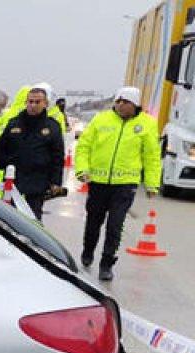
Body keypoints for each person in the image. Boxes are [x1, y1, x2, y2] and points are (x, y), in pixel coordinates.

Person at [75, 86, 162, 281]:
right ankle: (88, 251)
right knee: (93, 222)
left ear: (135, 105)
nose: (120, 105)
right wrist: (82, 170)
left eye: (126, 102)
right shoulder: (101, 119)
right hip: (98, 182)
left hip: (125, 184)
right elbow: (84, 146)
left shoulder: (147, 124)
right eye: (118, 101)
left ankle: (107, 263)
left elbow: (151, 156)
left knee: (115, 225)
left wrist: (152, 183)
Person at [0, 87, 65, 219]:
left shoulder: (52, 127)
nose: (33, 105)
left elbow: (57, 156)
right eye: (30, 101)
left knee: (33, 218)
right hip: (14, 180)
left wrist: (55, 181)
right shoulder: (14, 123)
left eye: (37, 102)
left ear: (45, 104)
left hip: (38, 181)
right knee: (8, 218)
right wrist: (4, 165)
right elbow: (1, 148)